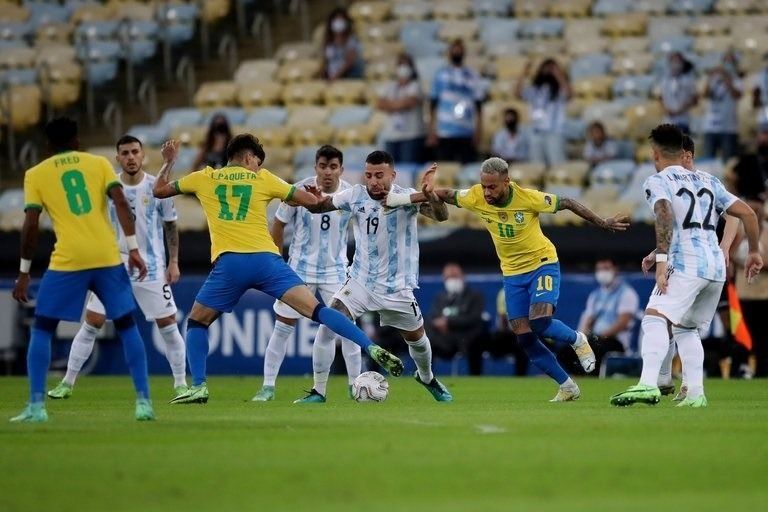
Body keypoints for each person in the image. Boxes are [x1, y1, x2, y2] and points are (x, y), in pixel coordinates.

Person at [153, 136, 404, 404]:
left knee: (197, 321)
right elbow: (310, 201)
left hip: (230, 264)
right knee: (320, 311)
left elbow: (159, 190)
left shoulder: (204, 178)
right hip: (267, 261)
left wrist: (168, 163)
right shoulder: (263, 179)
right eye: (257, 162)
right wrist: (311, 197)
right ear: (249, 157)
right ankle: (371, 346)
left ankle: (199, 386)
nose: (258, 168)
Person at [417, 157, 629, 401]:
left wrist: (602, 222)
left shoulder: (528, 198)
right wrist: (412, 196)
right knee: (524, 337)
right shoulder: (475, 196)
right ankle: (567, 386)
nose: (487, 192)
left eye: (492, 187)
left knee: (540, 322)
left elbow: (568, 202)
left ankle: (577, 339)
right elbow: (446, 194)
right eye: (484, 186)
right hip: (512, 274)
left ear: (506, 182)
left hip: (542, 264)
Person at [11, 117, 154, 422]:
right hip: (107, 256)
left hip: (68, 260)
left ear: (47, 145)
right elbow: (120, 202)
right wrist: (133, 249)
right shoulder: (98, 163)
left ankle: (36, 407)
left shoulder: (35, 174)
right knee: (127, 325)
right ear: (77, 141)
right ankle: (144, 403)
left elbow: (31, 225)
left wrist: (24, 272)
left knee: (42, 329)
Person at [611, 124, 762, 408]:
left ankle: (648, 384)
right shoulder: (709, 180)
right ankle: (695, 394)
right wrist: (754, 251)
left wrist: (661, 261)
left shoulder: (658, 181)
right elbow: (748, 214)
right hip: (715, 267)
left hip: (685, 264)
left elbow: (664, 214)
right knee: (686, 329)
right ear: (683, 152)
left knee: (654, 318)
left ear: (655, 154)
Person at [293, 152, 453, 403]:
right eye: (369, 175)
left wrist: (431, 196)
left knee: (418, 341)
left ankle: (427, 377)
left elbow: (441, 215)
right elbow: (322, 206)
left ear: (393, 175)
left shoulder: (407, 197)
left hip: (397, 288)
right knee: (328, 325)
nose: (373, 181)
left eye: (379, 175)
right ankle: (318, 391)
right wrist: (312, 200)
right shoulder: (355, 195)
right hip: (360, 282)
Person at [47, 135, 188, 401]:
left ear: (143, 155)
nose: (131, 157)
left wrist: (174, 262)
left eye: (135, 152)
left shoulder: (157, 188)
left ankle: (180, 384)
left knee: (168, 325)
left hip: (152, 267)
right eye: (125, 153)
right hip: (112, 266)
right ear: (118, 158)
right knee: (92, 322)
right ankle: (67, 383)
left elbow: (170, 224)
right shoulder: (106, 187)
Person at [251, 145, 361, 402]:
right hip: (299, 271)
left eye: (333, 167)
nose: (327, 172)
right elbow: (278, 223)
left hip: (335, 272)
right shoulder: (299, 190)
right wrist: (276, 261)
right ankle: (267, 387)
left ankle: (356, 386)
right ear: (315, 167)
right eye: (323, 166)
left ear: (341, 169)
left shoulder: (350, 195)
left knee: (347, 329)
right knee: (283, 327)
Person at [643, 133, 740, 400]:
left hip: (689, 263)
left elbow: (734, 216)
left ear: (687, 155)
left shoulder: (697, 181)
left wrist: (725, 246)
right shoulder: (703, 183)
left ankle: (661, 378)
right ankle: (687, 386)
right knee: (682, 326)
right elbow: (684, 229)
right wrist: (656, 253)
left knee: (661, 316)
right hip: (701, 262)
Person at [570, 258, 639, 372]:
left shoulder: (626, 293)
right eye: (599, 269)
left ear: (615, 270)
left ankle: (590, 373)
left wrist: (601, 336)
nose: (602, 272)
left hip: (616, 341)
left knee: (596, 348)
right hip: (596, 340)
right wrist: (582, 340)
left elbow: (623, 322)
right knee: (567, 351)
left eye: (606, 268)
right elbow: (588, 320)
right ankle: (581, 375)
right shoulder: (595, 295)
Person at [428, 39, 484, 163]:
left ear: (464, 52)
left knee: (467, 169)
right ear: (449, 52)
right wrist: (431, 131)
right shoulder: (440, 75)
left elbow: (479, 106)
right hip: (444, 132)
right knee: (446, 168)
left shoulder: (473, 75)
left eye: (459, 50)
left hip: (466, 131)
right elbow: (433, 104)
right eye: (454, 50)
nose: (457, 52)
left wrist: (478, 131)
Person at [426, 262, 487, 376]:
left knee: (477, 341)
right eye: (448, 277)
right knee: (426, 341)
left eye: (454, 276)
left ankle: (475, 378)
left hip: (466, 338)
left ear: (463, 276)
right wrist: (438, 323)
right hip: (444, 339)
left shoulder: (474, 296)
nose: (452, 280)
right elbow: (433, 317)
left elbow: (474, 318)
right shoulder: (440, 298)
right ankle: (426, 376)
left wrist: (449, 322)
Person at [731, 200, 768, 377]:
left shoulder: (766, 235)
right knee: (740, 333)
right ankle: (738, 369)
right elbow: (730, 254)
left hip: (763, 294)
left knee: (762, 336)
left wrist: (756, 263)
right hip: (742, 293)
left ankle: (762, 371)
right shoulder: (739, 235)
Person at [515, 59, 570, 167]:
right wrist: (523, 73)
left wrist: (558, 75)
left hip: (554, 132)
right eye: (546, 68)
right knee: (537, 166)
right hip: (536, 132)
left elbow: (569, 94)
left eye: (551, 69)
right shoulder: (535, 89)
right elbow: (517, 93)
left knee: (557, 165)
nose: (548, 71)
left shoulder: (559, 90)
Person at [377, 53, 426, 164]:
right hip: (392, 136)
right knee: (390, 169)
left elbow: (410, 102)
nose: (403, 68)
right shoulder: (390, 86)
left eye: (406, 65)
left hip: (411, 136)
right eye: (400, 64)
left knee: (408, 168)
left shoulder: (415, 85)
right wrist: (401, 104)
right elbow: (380, 104)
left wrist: (390, 105)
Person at [701, 52, 743, 161]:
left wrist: (727, 79)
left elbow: (737, 95)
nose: (727, 63)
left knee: (728, 161)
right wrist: (710, 77)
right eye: (726, 60)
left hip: (728, 127)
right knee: (708, 160)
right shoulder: (714, 78)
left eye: (730, 61)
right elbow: (705, 94)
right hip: (711, 126)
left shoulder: (737, 79)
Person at [320, 7, 363, 81]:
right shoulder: (329, 41)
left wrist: (336, 76)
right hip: (331, 76)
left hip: (347, 76)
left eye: (341, 20)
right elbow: (326, 60)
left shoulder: (352, 40)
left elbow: (349, 61)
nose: (338, 22)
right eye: (336, 20)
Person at [660, 52, 698, 134]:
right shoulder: (665, 80)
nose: (676, 64)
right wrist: (666, 109)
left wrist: (680, 110)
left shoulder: (688, 80)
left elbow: (694, 100)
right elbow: (662, 98)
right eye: (673, 61)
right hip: (668, 121)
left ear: (682, 64)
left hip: (683, 121)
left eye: (678, 62)